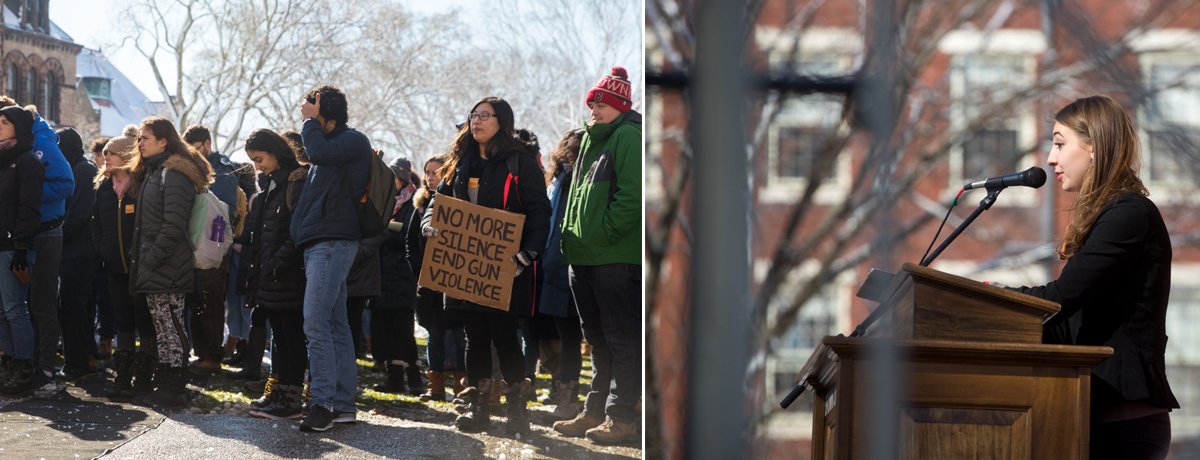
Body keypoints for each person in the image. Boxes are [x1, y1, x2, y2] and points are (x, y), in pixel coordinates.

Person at [1013, 95, 1178, 459]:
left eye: (1059, 143)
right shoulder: (1112, 214)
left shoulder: (1129, 214)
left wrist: (998, 302)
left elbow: (1060, 298)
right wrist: (981, 305)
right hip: (1091, 421)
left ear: (1094, 148)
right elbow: (1067, 325)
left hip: (1124, 430)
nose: (1051, 158)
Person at [421, 96, 551, 435]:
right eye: (473, 115)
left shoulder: (519, 162)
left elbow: (540, 211)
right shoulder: (459, 162)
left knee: (506, 337)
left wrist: (528, 254)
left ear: (502, 122)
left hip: (509, 266)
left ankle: (517, 412)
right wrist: (429, 223)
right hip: (466, 269)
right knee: (474, 338)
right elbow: (437, 201)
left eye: (485, 116)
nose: (476, 121)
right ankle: (478, 407)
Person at [554, 66, 642, 445]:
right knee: (598, 340)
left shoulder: (629, 137)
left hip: (615, 258)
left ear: (621, 105)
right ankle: (594, 410)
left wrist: (603, 233)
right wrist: (572, 240)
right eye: (592, 103)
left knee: (621, 339)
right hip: (584, 257)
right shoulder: (590, 140)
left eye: (602, 104)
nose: (594, 110)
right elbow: (576, 199)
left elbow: (633, 197)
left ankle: (621, 417)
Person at [290, 85, 372, 432]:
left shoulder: (351, 141)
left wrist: (310, 122)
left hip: (334, 242)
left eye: (309, 107)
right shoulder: (330, 151)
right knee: (336, 325)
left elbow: (319, 151)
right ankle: (342, 404)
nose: (303, 113)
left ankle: (322, 404)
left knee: (315, 322)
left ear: (326, 111)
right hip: (320, 243)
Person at [128, 116, 214, 409]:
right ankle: (165, 381)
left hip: (167, 265)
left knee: (172, 326)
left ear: (164, 140)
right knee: (162, 326)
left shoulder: (173, 174)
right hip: (156, 265)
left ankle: (175, 384)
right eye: (139, 138)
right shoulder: (155, 171)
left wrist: (150, 259)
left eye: (145, 138)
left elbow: (173, 224)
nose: (139, 143)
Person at [0, 97, 74, 398]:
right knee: (10, 307)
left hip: (44, 232)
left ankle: (43, 369)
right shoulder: (9, 155)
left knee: (40, 303)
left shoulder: (38, 143)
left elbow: (65, 183)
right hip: (15, 232)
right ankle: (15, 363)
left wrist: (23, 192)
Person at [239, 129, 308, 420]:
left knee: (291, 336)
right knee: (278, 336)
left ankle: (291, 399)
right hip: (270, 273)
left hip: (288, 274)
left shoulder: (297, 182)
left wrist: (277, 262)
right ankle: (280, 392)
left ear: (274, 151)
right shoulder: (269, 184)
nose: (257, 166)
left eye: (259, 159)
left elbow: (298, 231)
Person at [92, 126, 158, 397]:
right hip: (115, 267)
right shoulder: (103, 188)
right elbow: (96, 224)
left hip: (141, 268)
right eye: (105, 154)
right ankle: (123, 374)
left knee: (145, 320)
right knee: (123, 321)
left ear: (127, 156)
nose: (106, 158)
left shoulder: (142, 185)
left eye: (113, 154)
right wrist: (102, 253)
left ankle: (144, 374)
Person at [408, 154, 466, 402]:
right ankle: (436, 386)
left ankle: (462, 386)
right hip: (429, 284)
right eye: (427, 173)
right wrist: (420, 272)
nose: (430, 177)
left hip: (455, 284)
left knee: (459, 334)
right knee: (435, 333)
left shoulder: (458, 203)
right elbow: (411, 244)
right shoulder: (421, 207)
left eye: (435, 172)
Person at [182, 125, 239, 374]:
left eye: (196, 149)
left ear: (207, 144)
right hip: (196, 247)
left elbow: (224, 210)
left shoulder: (222, 171)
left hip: (214, 249)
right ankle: (202, 352)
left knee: (211, 304)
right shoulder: (194, 169)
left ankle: (212, 356)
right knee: (197, 303)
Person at [538, 128, 587, 420]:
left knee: (572, 336)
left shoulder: (581, 180)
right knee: (552, 333)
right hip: (552, 266)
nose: (570, 154)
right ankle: (561, 390)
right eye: (568, 149)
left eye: (576, 150)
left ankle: (569, 397)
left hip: (573, 266)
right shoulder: (558, 181)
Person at [0, 106, 43, 395]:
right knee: (2, 311)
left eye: (5, 122)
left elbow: (29, 207)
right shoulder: (2, 161)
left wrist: (21, 246)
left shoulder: (28, 161)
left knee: (15, 308)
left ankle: (24, 365)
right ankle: (8, 361)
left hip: (14, 245)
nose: (0, 126)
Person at [371, 157, 422, 395]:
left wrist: (385, 233)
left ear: (402, 180)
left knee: (402, 330)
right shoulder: (386, 202)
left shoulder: (413, 205)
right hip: (383, 274)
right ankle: (394, 377)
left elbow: (412, 239)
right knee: (385, 329)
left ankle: (412, 378)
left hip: (402, 274)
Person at [56, 127, 101, 381]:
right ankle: (83, 357)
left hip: (79, 251)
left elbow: (79, 214)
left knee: (72, 305)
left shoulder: (82, 171)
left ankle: (78, 362)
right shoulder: (80, 168)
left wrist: (57, 235)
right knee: (77, 307)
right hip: (76, 249)